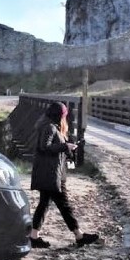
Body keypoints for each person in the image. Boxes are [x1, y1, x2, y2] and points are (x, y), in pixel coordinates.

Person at [29, 101, 100, 249]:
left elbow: (51, 147)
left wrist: (67, 147)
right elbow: (45, 146)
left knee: (44, 204)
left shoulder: (49, 125)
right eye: (64, 115)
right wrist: (64, 146)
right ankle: (79, 235)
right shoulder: (50, 127)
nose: (65, 118)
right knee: (64, 205)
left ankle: (34, 236)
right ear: (59, 115)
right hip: (51, 175)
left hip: (50, 172)